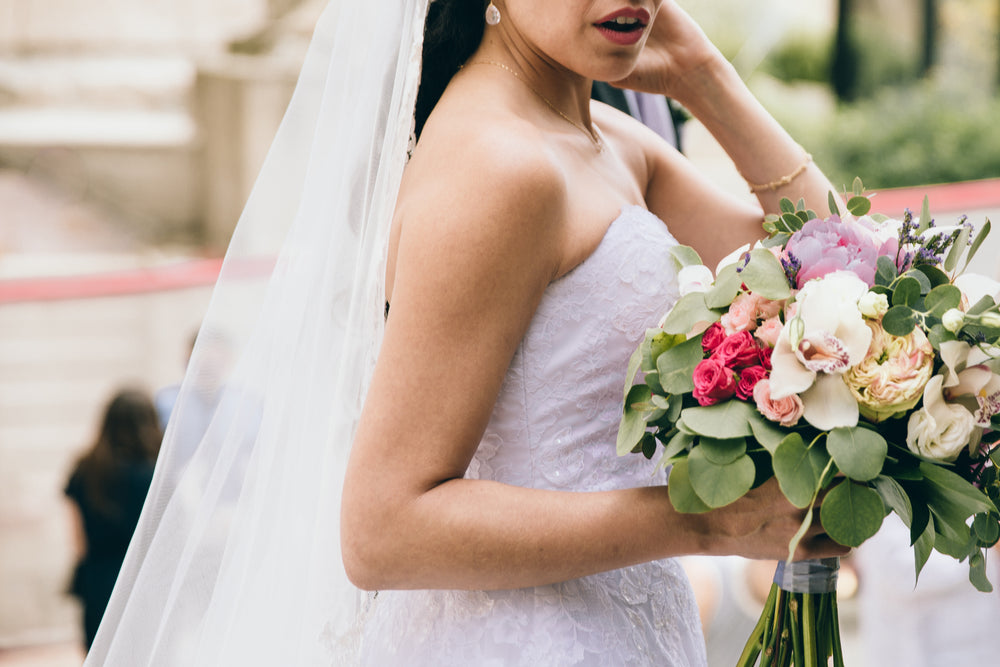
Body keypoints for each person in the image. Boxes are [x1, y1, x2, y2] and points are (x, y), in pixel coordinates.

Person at [85, 2, 848, 665]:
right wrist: (709, 524)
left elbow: (841, 269)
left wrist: (702, 75)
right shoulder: (501, 168)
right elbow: (382, 528)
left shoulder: (604, 140)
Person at [64, 388, 162, 650]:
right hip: (144, 584)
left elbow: (78, 540)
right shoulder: (155, 477)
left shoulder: (85, 469)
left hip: (97, 580)